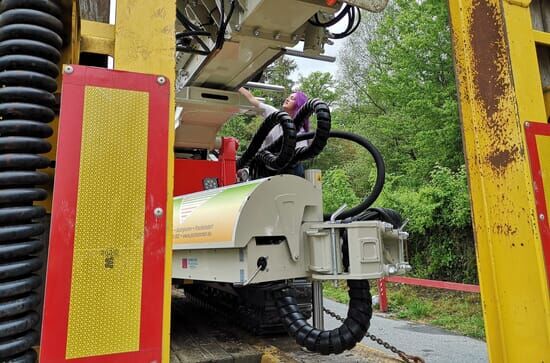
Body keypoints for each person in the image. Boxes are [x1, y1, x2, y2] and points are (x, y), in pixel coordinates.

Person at [238, 87, 310, 150]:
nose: (287, 99)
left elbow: (300, 154)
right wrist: (239, 86)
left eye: (292, 99)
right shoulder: (275, 114)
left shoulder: (300, 132)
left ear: (298, 105)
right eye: (288, 97)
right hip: (260, 161)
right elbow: (252, 100)